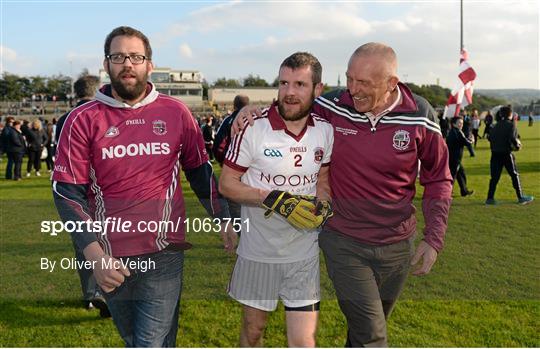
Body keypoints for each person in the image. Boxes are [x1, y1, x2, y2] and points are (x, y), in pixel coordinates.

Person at [234, 42, 452, 346]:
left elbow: (438, 178)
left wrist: (434, 237)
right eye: (350, 79)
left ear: (392, 83)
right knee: (373, 334)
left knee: (365, 331)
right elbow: (293, 104)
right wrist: (250, 109)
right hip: (344, 241)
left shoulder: (420, 114)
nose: (353, 89)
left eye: (363, 83)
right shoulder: (335, 104)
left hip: (397, 244)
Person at [52, 26, 234, 347]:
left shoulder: (175, 111)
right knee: (143, 337)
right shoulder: (81, 119)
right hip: (110, 255)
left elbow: (199, 171)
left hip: (163, 250)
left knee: (147, 342)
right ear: (106, 64)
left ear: (149, 64)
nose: (127, 64)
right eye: (118, 56)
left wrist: (224, 219)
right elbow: (67, 192)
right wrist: (94, 255)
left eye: (136, 57)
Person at [220, 52, 333, 347]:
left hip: (303, 255)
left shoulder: (325, 131)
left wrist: (323, 204)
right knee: (253, 332)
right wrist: (274, 198)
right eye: (284, 83)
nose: (290, 92)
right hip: (259, 253)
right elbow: (227, 184)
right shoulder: (252, 128)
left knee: (303, 340)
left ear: (317, 89)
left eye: (300, 84)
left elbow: (323, 180)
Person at [54, 74, 110, 316]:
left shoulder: (63, 119)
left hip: (72, 189)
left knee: (83, 242)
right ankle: (107, 291)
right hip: (99, 188)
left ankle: (91, 295)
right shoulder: (100, 113)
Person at [485, 105, 534, 205]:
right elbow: (512, 138)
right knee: (514, 175)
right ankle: (520, 197)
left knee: (494, 177)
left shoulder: (494, 125)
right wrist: (518, 146)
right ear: (510, 114)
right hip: (506, 154)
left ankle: (489, 199)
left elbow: (489, 138)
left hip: (494, 154)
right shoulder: (511, 125)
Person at [213, 95, 250, 222]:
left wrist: (223, 162)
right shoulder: (257, 120)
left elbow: (219, 144)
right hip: (254, 171)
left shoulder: (229, 120)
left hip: (234, 168)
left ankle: (243, 237)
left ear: (234, 106)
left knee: (235, 207)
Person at [446, 117, 475, 197]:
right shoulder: (456, 132)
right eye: (459, 123)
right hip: (454, 159)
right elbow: (466, 142)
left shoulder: (454, 131)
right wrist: (472, 140)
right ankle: (447, 192)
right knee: (453, 176)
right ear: (454, 124)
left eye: (462, 123)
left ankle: (464, 191)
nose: (461, 124)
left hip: (454, 158)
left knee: (461, 173)